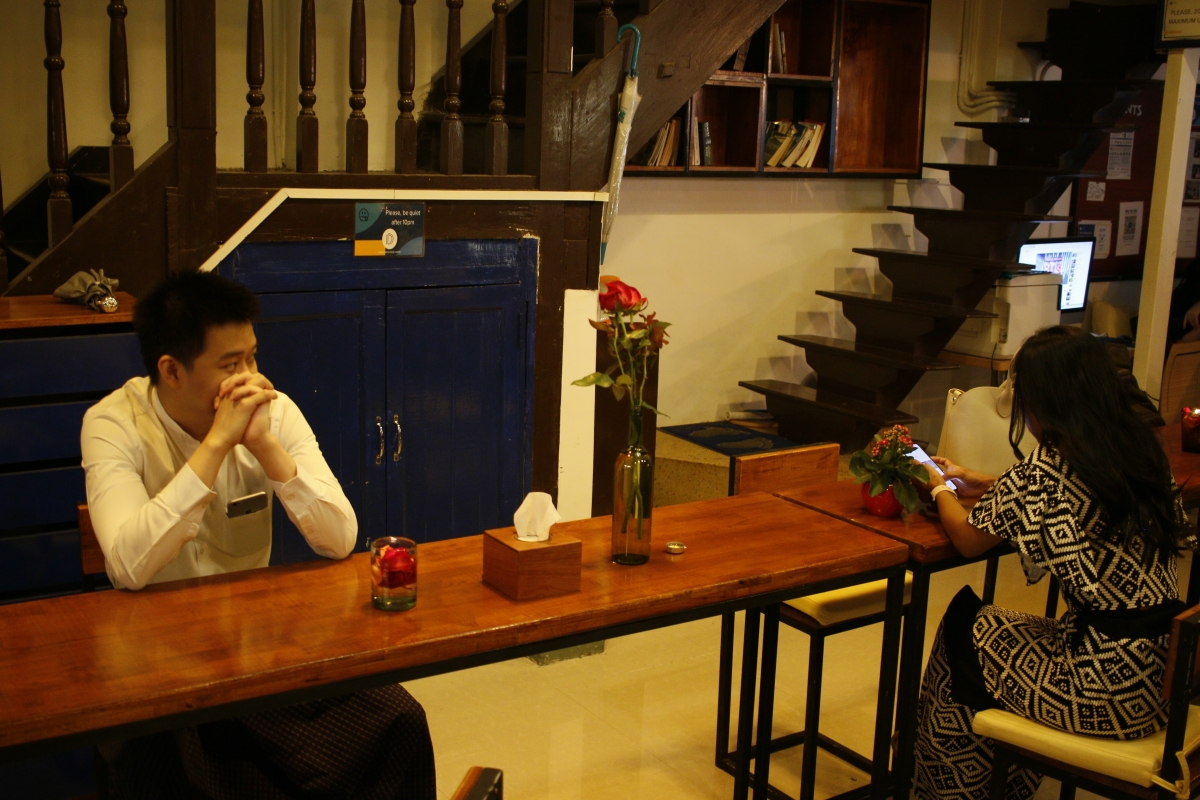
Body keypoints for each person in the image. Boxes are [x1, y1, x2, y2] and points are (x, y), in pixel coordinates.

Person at [81, 271, 435, 800]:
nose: (250, 377)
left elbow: (339, 538)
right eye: (230, 364)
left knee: (399, 721)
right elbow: (128, 566)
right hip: (158, 669)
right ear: (171, 370)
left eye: (252, 357)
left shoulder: (274, 412)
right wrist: (218, 443)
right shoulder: (114, 424)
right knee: (199, 776)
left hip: (254, 656)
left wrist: (266, 447)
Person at [912, 326, 1194, 800]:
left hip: (1098, 689)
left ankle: (948, 787)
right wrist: (977, 481)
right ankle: (996, 782)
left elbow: (966, 539)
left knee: (962, 631)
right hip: (1158, 679)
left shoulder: (1049, 467)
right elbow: (1060, 495)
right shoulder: (1140, 450)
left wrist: (938, 486)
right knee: (987, 638)